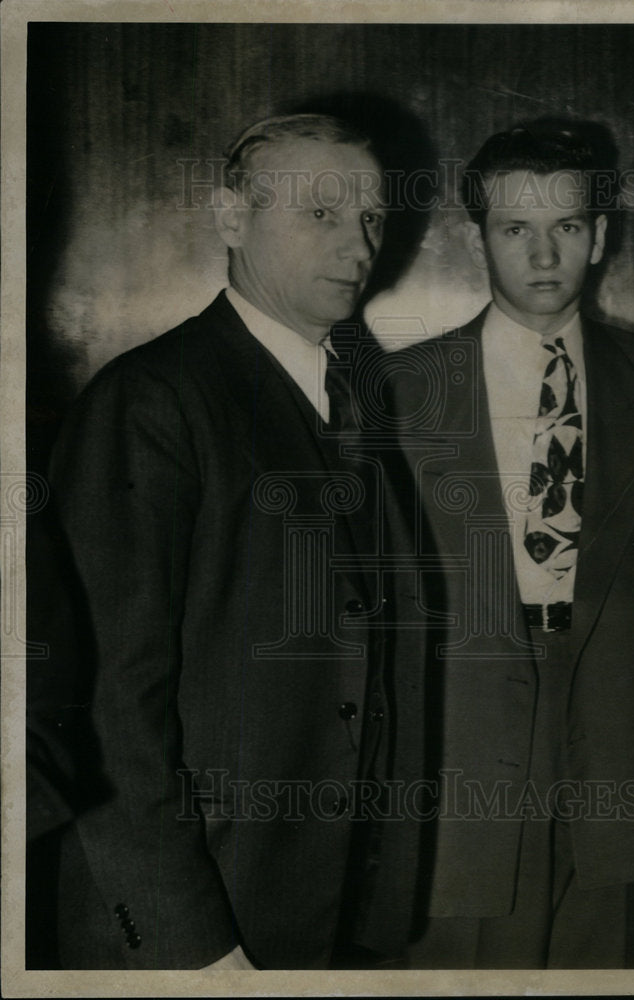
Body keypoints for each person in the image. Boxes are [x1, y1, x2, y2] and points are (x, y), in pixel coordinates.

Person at [45, 113, 430, 969]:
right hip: (197, 923)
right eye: (320, 214)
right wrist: (192, 944)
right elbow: (108, 707)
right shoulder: (151, 399)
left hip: (316, 908)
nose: (358, 244)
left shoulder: (351, 395)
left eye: (371, 217)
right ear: (230, 218)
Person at [388, 120, 634, 968]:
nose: (543, 256)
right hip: (461, 720)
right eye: (515, 230)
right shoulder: (403, 388)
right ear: (480, 240)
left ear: (599, 235)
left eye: (566, 228)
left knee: (597, 956)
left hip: (616, 714)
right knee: (458, 952)